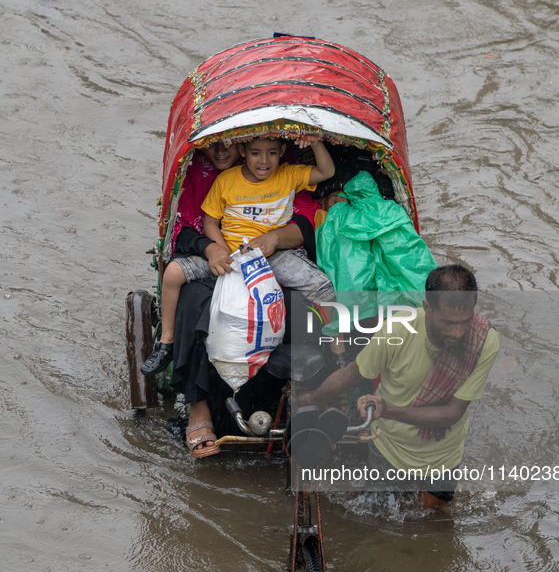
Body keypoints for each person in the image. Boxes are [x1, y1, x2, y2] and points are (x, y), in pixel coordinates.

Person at [142, 137, 336, 457]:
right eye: (213, 145)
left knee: (300, 307)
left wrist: (273, 238)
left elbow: (305, 218)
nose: (221, 152)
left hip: (271, 258)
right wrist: (214, 248)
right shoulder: (204, 178)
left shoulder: (285, 173)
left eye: (230, 144)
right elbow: (188, 227)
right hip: (217, 260)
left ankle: (313, 390)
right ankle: (199, 405)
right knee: (198, 304)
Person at [298, 264, 500, 507]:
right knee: (380, 522)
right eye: (448, 322)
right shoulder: (397, 330)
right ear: (427, 308)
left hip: (443, 459)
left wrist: (388, 410)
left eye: (465, 321)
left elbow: (453, 413)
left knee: (434, 526)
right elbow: (351, 374)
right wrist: (310, 400)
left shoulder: (484, 341)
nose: (457, 332)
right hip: (389, 451)